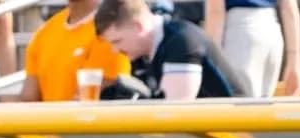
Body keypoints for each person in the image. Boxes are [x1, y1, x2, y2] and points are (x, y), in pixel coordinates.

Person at [94, 0, 251, 99]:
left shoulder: (181, 41)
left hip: (236, 133)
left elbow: (173, 114)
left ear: (138, 27)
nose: (115, 50)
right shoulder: (140, 53)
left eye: (117, 41)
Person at [19, 0, 128, 102]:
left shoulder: (111, 29)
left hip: (88, 116)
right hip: (55, 116)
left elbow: (88, 102)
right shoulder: (45, 31)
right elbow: (29, 99)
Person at [203, 0, 300, 97]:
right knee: (262, 104)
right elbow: (289, 8)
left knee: (239, 104)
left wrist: (211, 63)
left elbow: (215, 12)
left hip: (239, 33)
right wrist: (295, 61)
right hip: (272, 31)